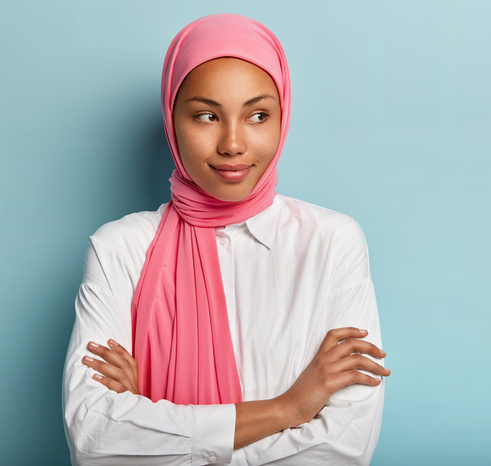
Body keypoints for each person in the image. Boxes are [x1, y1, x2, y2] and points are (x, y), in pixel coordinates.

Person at [62, 13, 389, 465]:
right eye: (207, 116)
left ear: (282, 116)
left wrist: (155, 426)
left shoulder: (332, 242)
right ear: (172, 121)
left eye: (257, 115)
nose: (233, 144)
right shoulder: (119, 248)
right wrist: (288, 408)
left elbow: (342, 448)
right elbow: (95, 441)